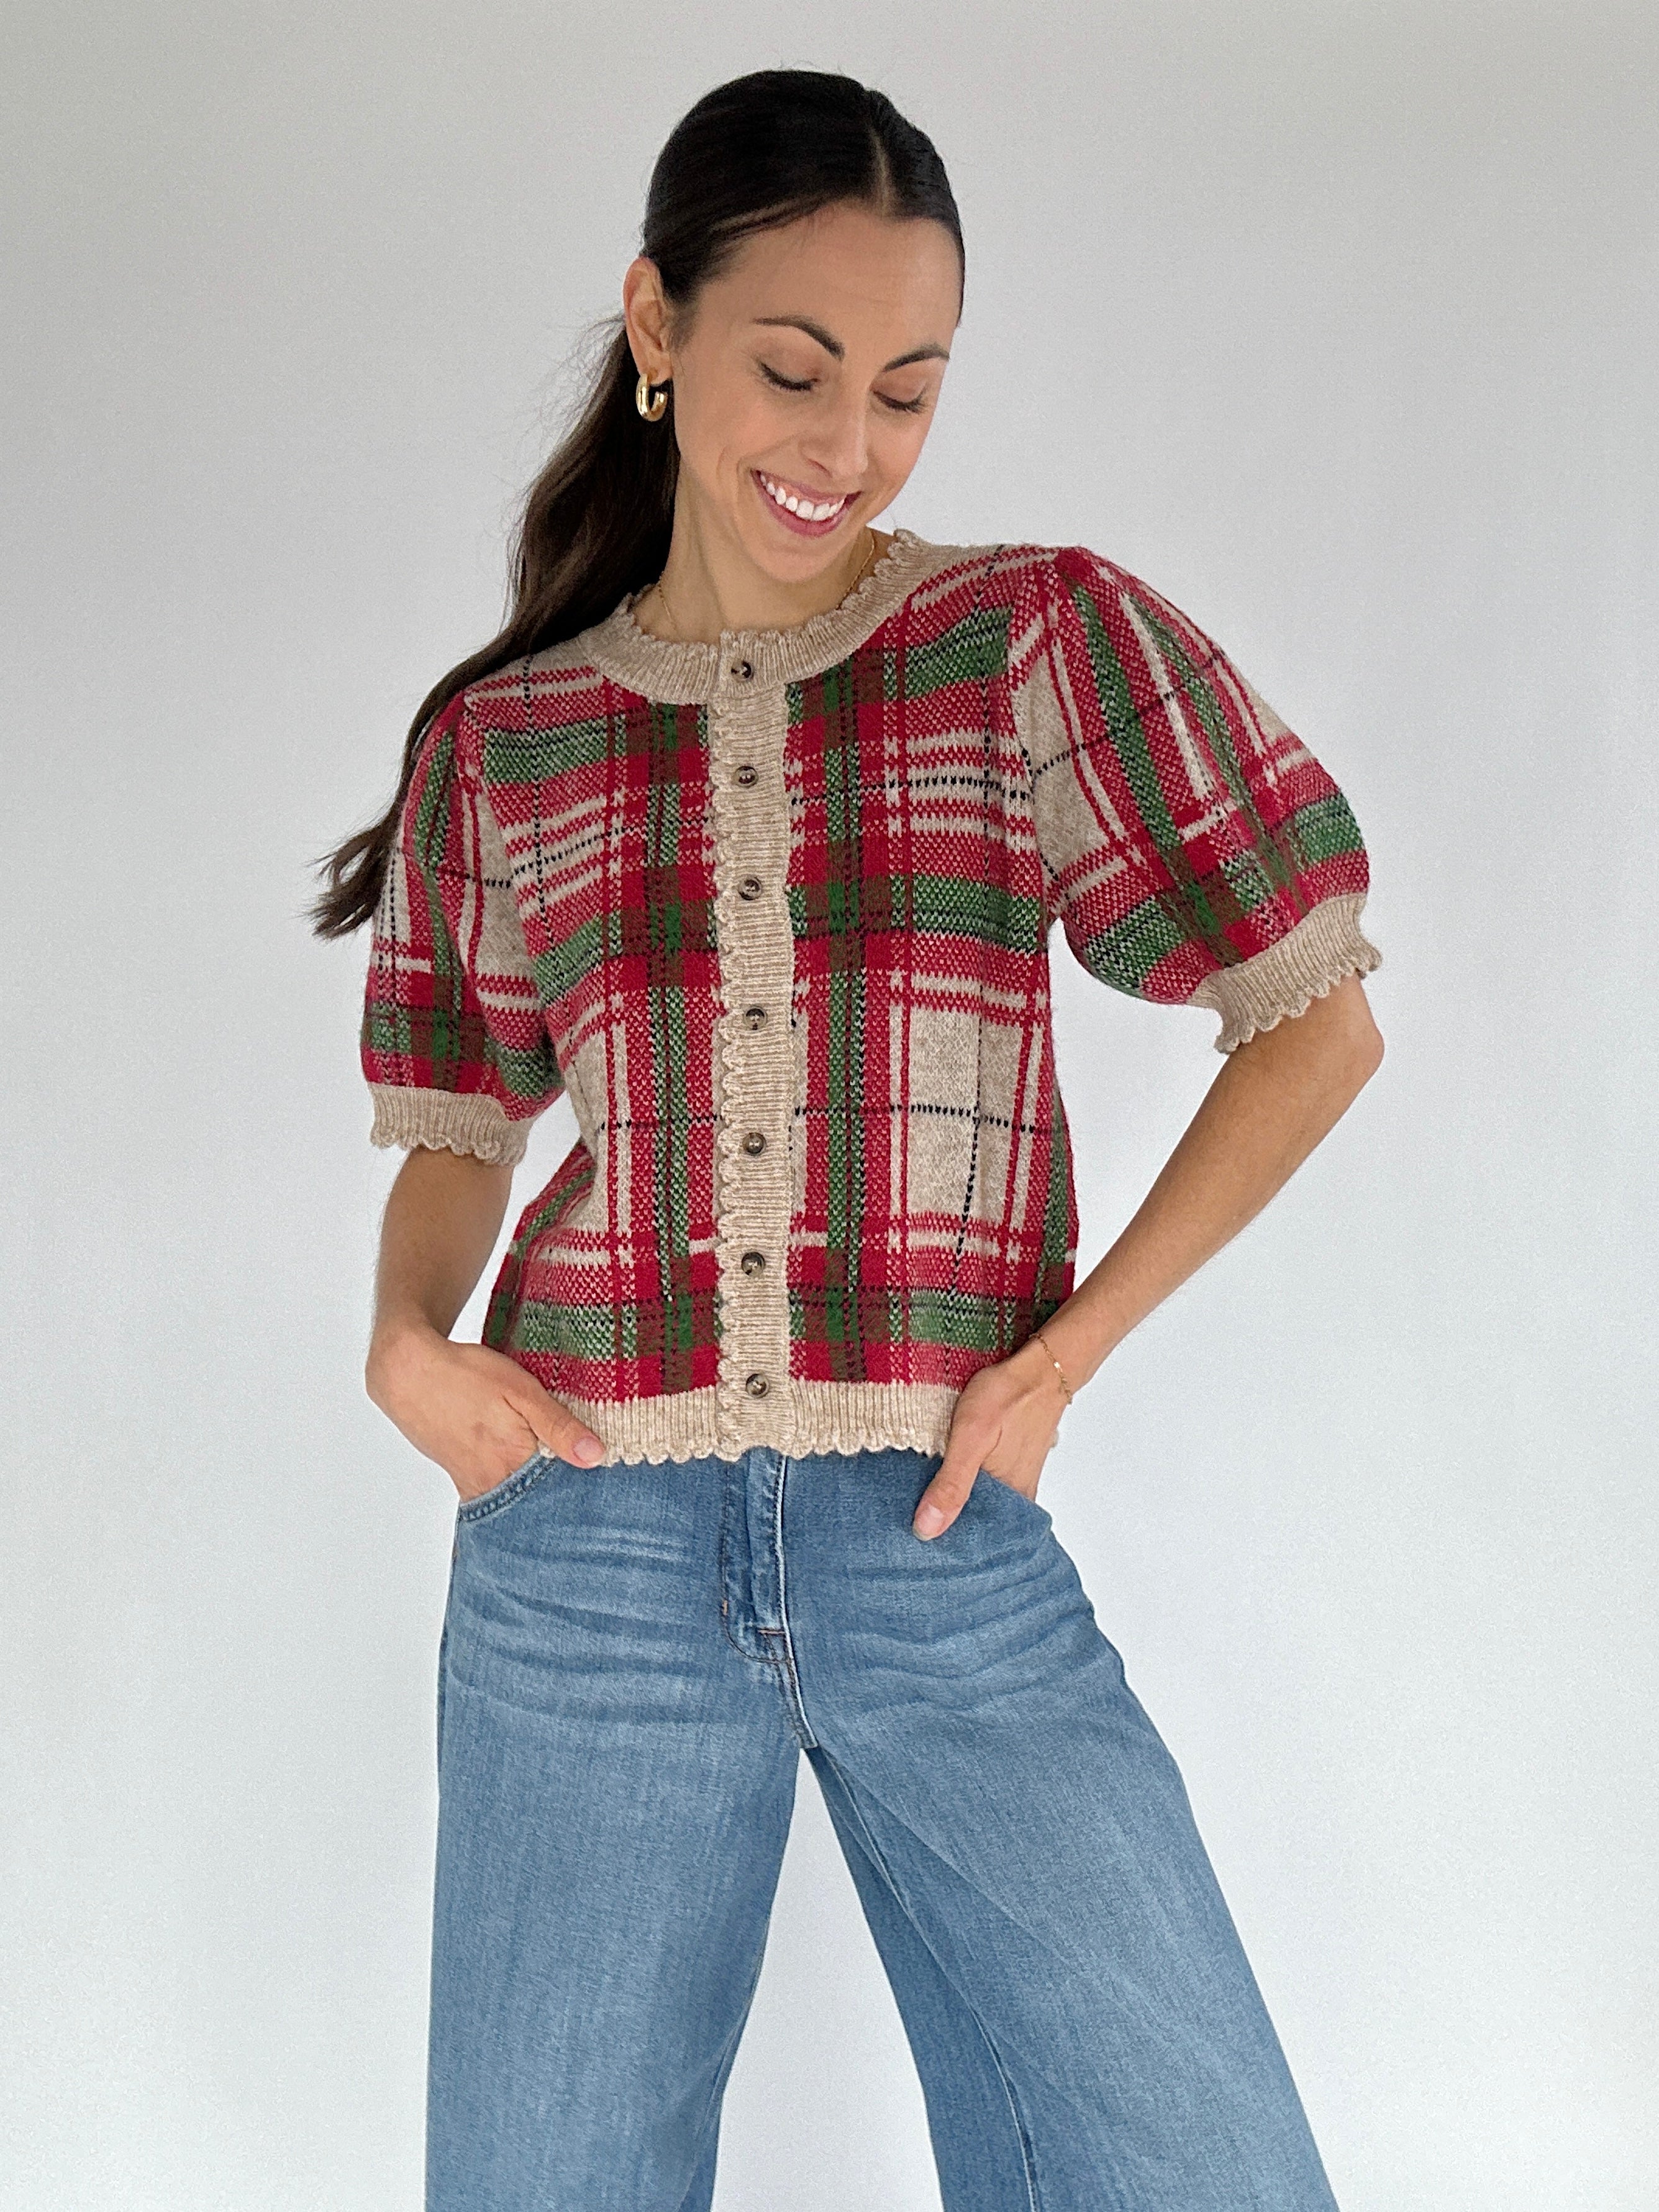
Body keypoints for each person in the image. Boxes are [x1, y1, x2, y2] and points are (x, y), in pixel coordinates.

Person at [311, 65, 1383, 2212]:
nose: (849, 444)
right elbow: (455, 1132)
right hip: (584, 1536)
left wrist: (1061, 1353)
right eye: (794, 369)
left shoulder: (1029, 643)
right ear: (657, 325)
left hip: (937, 1534)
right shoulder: (508, 741)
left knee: (1200, 2166)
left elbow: (1312, 1021)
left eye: (907, 389)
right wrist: (409, 1345)